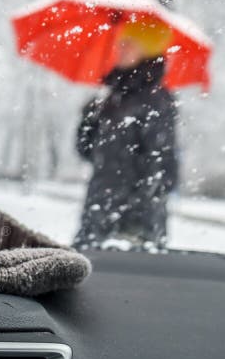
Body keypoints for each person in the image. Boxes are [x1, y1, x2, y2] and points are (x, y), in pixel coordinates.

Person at [73, 18, 179, 251]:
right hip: (99, 207)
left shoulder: (157, 100)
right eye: (121, 42)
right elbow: (88, 152)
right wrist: (88, 119)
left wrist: (135, 224)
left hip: (133, 221)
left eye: (129, 43)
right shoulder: (112, 96)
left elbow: (160, 164)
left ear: (148, 49)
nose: (120, 48)